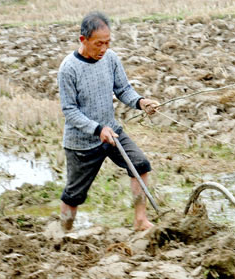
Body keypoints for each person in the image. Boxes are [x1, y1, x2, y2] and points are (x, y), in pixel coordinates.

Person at [58, 11, 160, 232]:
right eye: (98, 44)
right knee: (74, 195)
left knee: (140, 165)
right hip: (82, 142)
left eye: (107, 43)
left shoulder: (110, 58)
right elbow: (70, 110)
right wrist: (96, 129)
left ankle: (140, 220)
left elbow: (123, 89)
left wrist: (141, 102)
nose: (103, 49)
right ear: (83, 40)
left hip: (111, 132)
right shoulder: (69, 68)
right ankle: (63, 233)